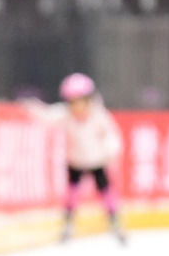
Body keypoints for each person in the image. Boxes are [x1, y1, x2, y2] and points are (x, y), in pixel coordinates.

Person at [23, 73, 124, 243]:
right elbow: (48, 116)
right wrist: (33, 108)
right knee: (72, 194)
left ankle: (114, 221)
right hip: (76, 161)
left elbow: (112, 135)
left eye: (80, 102)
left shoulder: (99, 115)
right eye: (73, 103)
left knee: (106, 191)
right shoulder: (66, 115)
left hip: (97, 160)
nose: (77, 107)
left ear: (88, 100)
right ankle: (68, 225)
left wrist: (110, 151)